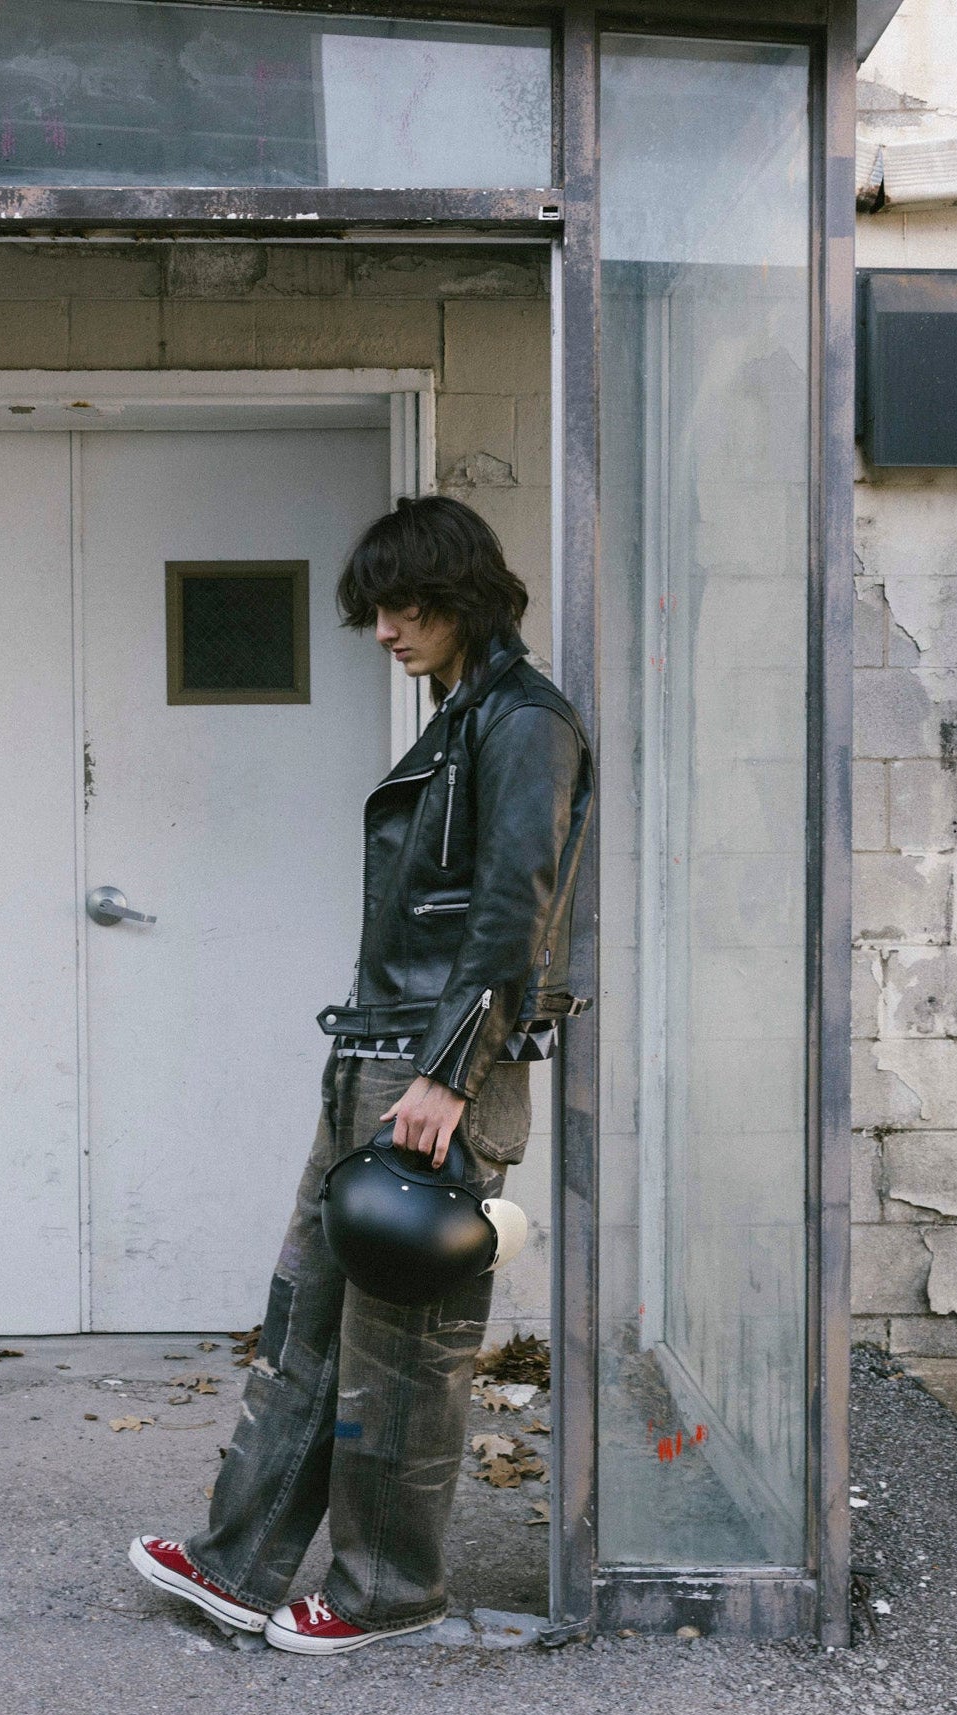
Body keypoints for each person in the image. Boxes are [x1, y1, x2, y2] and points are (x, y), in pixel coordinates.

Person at [130, 494, 592, 1654]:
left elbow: (511, 913)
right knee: (311, 1317)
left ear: (461, 598)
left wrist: (444, 1074)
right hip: (379, 1060)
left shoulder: (523, 723)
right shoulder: (461, 718)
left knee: (400, 1350)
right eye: (376, 611)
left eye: (405, 606)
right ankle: (238, 1566)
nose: (385, 631)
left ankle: (387, 1592)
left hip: (433, 1073)